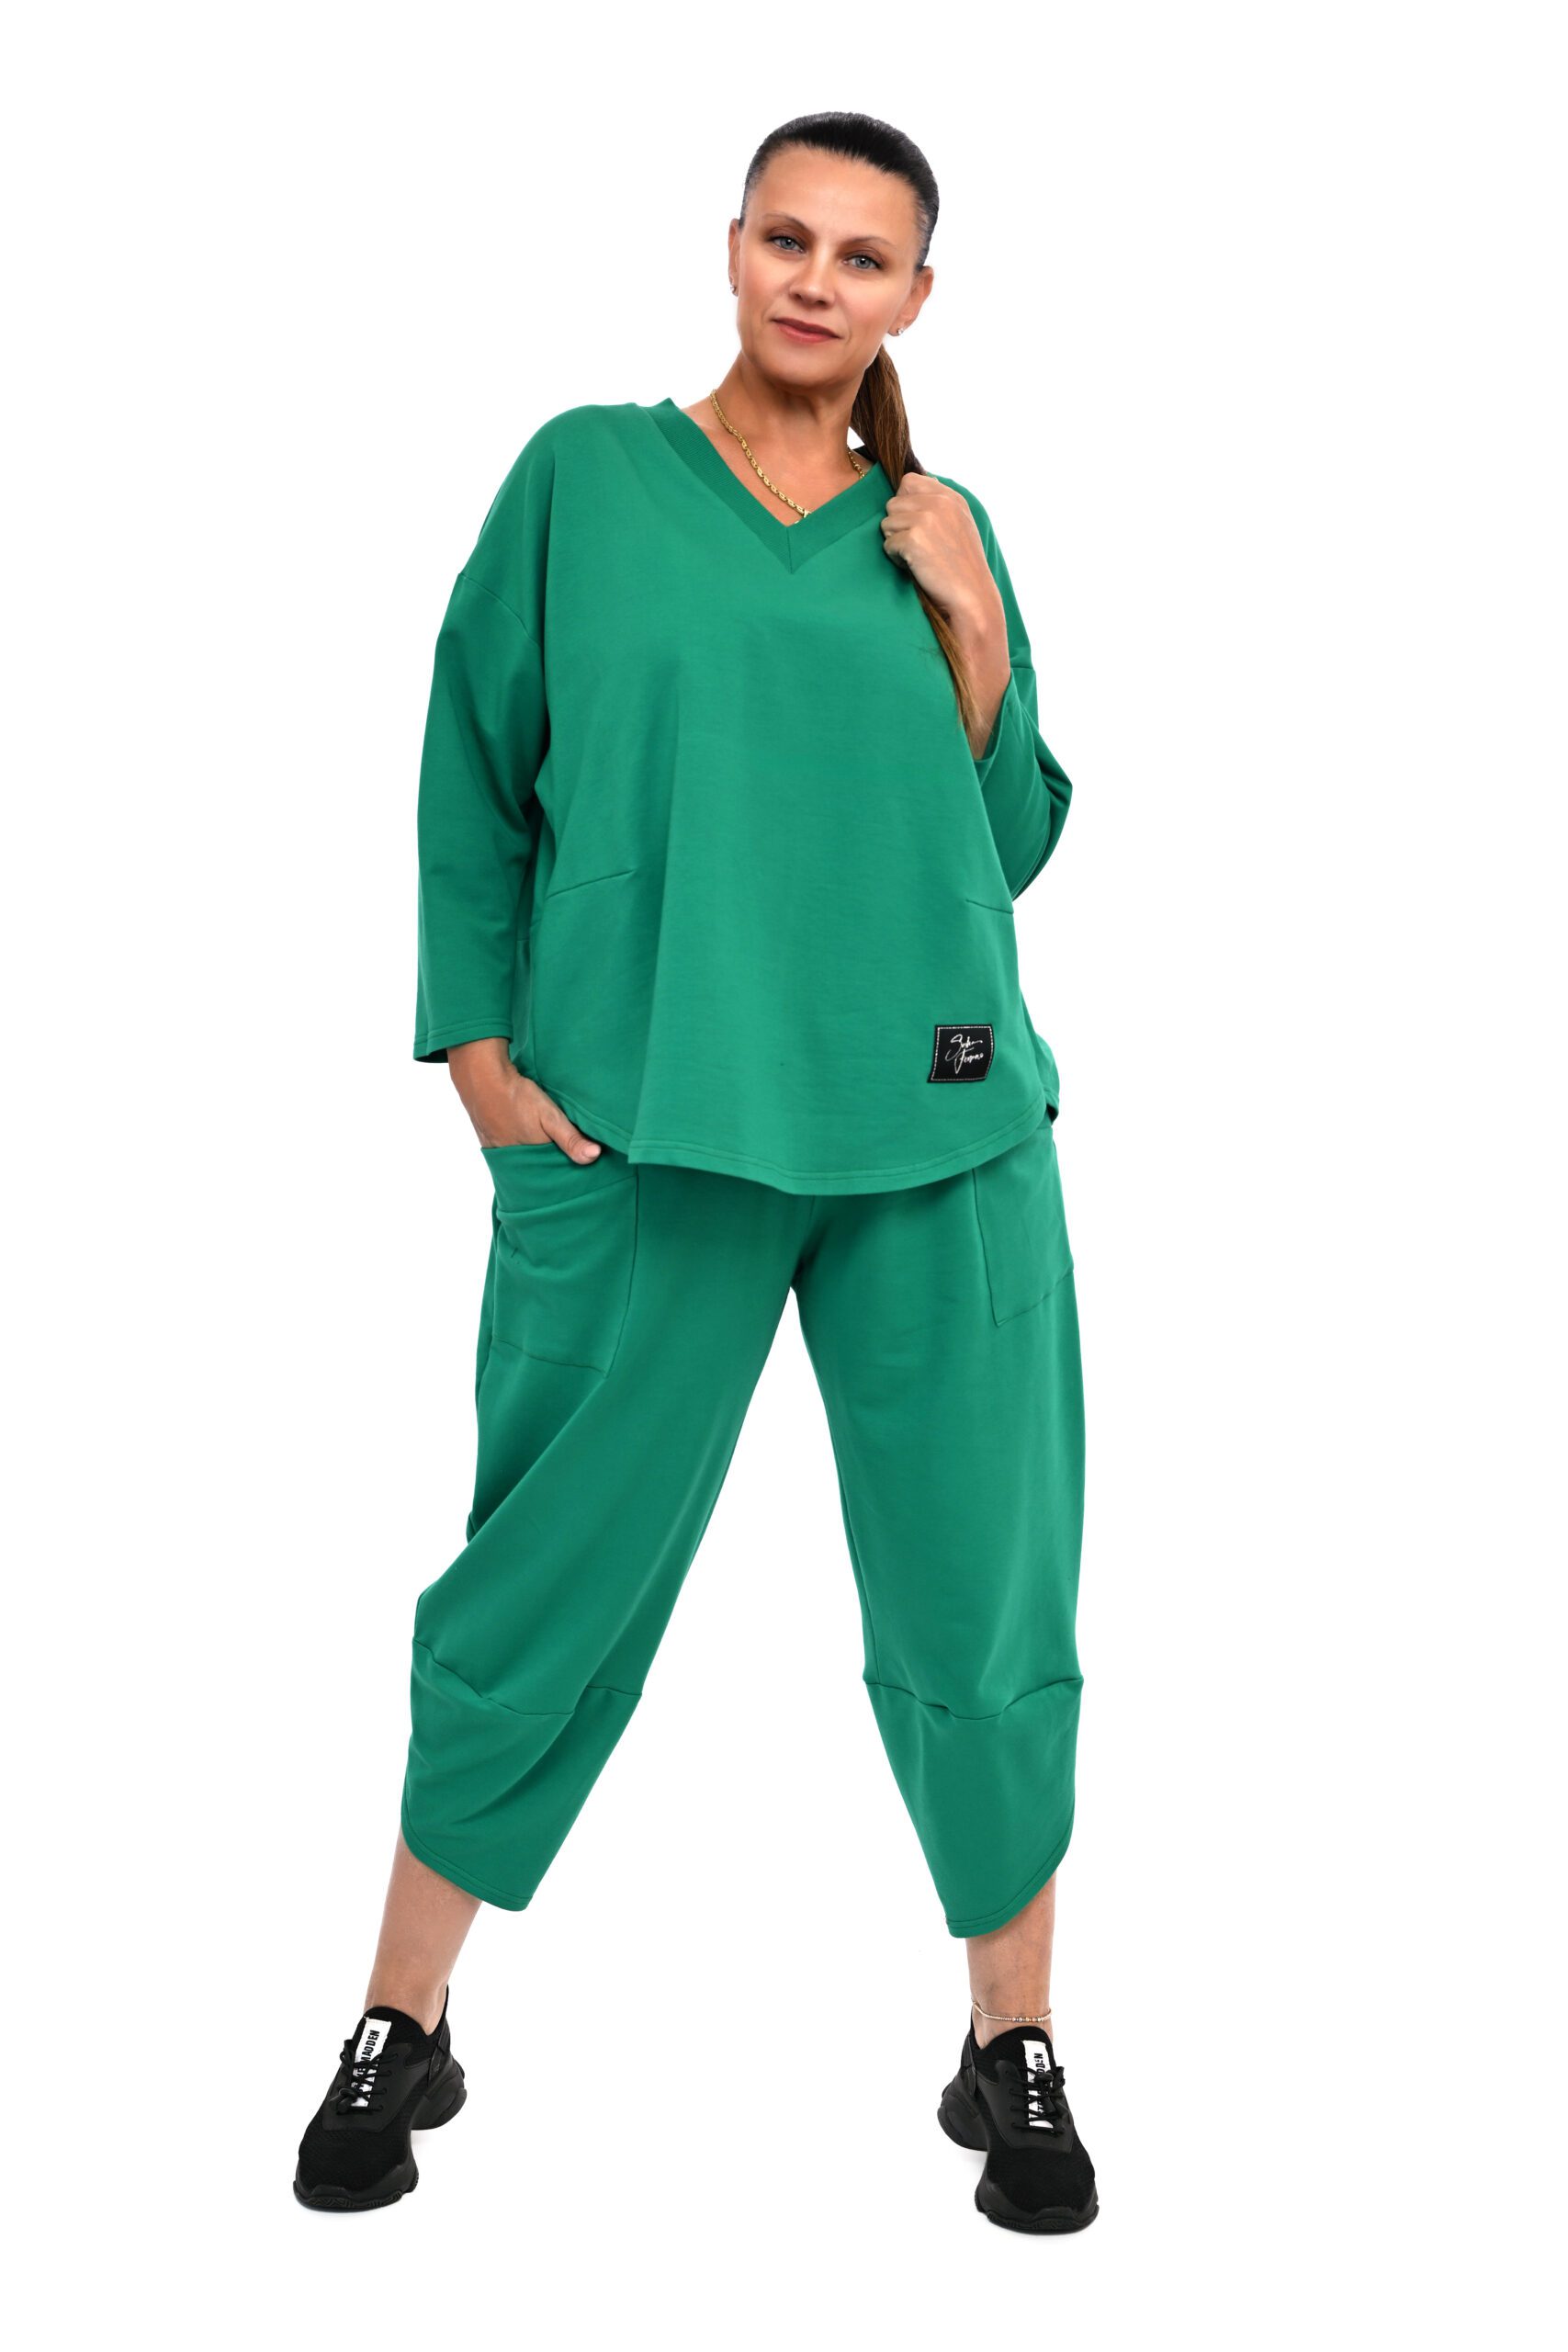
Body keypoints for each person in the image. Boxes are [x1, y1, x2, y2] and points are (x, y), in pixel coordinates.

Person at [294, 109, 1097, 2235]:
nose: (818, 279)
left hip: (936, 1131)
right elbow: (471, 762)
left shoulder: (939, 523)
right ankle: (401, 2006)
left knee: (980, 1589)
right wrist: (476, 1049)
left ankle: (1010, 2034)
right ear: (732, 248)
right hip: (643, 1123)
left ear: (916, 295)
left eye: (864, 255)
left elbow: (1006, 842)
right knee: (541, 1578)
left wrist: (974, 631)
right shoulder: (585, 479)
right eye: (787, 237)